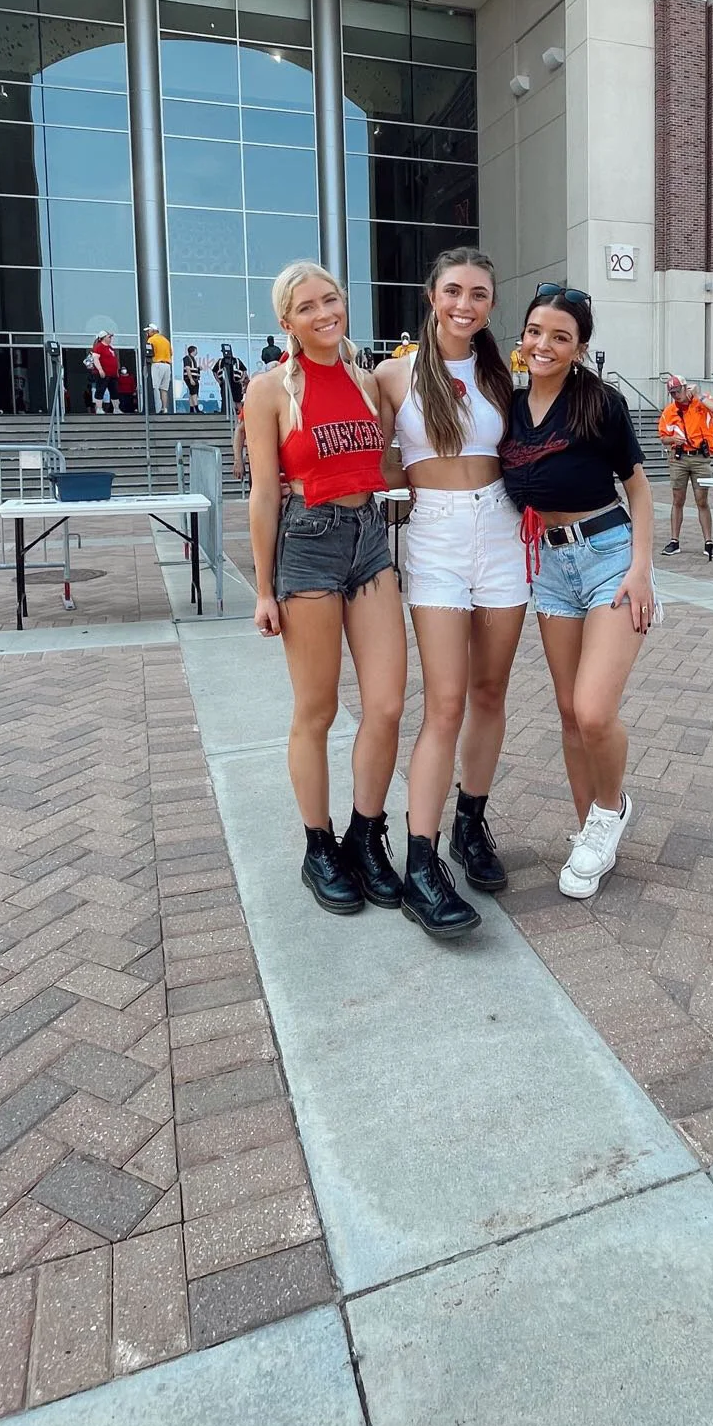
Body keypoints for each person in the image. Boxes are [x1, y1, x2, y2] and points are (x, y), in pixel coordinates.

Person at [245, 262, 407, 917]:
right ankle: (319, 846)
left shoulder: (368, 382)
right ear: (286, 321)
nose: (323, 313)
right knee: (317, 710)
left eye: (331, 299)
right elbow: (262, 494)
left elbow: (389, 462)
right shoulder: (268, 391)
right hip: (307, 544)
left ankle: (365, 836)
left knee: (387, 705)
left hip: (369, 540)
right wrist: (263, 589)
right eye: (307, 306)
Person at [376, 247, 524, 939]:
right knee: (443, 703)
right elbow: (366, 454)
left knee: (489, 693)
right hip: (434, 536)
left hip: (501, 532)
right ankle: (421, 862)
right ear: (432, 295)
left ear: (491, 305)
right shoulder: (393, 375)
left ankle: (470, 822)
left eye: (479, 294)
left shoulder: (503, 376)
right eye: (454, 291)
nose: (465, 304)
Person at [499, 285, 656, 901]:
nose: (545, 344)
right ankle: (589, 828)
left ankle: (610, 809)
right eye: (536, 331)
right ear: (523, 337)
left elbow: (638, 486)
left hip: (609, 558)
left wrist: (640, 569)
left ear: (579, 348)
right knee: (568, 711)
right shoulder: (509, 406)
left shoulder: (600, 403)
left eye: (561, 337)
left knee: (593, 710)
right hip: (549, 565)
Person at [658, 377, 713, 557]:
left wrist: (699, 396)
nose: (676, 395)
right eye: (672, 393)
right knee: (677, 499)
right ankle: (674, 541)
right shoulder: (670, 411)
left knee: (702, 500)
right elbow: (663, 437)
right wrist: (673, 439)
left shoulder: (701, 402)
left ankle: (708, 542)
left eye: (678, 391)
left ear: (686, 388)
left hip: (700, 457)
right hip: (679, 458)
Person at [87, 330, 120, 413]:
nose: (110, 338)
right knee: (100, 390)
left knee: (114, 391)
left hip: (112, 374)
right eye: (109, 337)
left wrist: (116, 371)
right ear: (103, 338)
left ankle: (116, 409)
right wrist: (100, 370)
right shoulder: (99, 347)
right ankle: (99, 408)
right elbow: (95, 359)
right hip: (103, 373)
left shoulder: (110, 348)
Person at [146, 325, 173, 412]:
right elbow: (171, 353)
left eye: (148, 331)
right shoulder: (166, 340)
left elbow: (149, 352)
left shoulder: (151, 339)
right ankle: (164, 408)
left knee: (155, 387)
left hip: (157, 364)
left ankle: (157, 408)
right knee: (164, 389)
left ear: (153, 331)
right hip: (167, 365)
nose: (147, 333)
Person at [182, 344, 202, 413]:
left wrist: (198, 368)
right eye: (196, 350)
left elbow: (192, 368)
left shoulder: (193, 359)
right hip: (190, 378)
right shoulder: (187, 358)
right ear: (193, 351)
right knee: (194, 393)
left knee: (191, 393)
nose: (197, 352)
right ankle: (197, 409)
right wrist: (191, 379)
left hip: (194, 378)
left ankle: (191, 409)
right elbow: (187, 369)